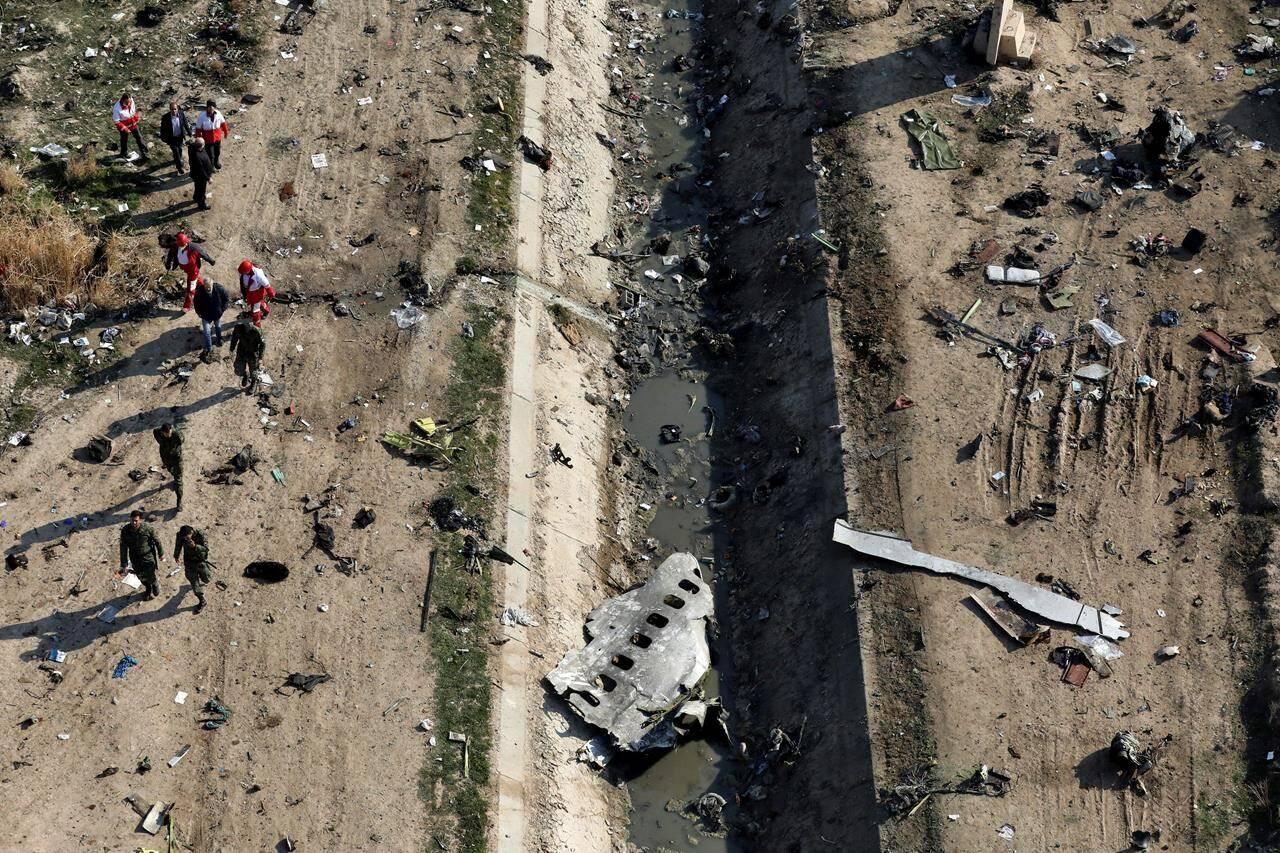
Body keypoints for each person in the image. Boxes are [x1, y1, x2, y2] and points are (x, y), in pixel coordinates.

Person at [119, 510, 164, 600]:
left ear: (140, 520)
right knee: (140, 576)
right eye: (132, 520)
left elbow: (157, 540)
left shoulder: (147, 528)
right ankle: (148, 588)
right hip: (135, 558)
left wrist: (161, 553)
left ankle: (154, 584)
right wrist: (124, 564)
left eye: (136, 520)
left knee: (150, 574)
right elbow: (123, 548)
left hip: (147, 556)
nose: (134, 523)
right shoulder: (125, 530)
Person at [164, 232, 215, 311]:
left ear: (186, 242)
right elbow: (170, 254)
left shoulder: (194, 248)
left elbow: (203, 254)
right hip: (186, 269)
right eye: (180, 245)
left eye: (183, 245)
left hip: (193, 271)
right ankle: (205, 287)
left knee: (190, 289)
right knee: (196, 280)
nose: (181, 247)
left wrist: (211, 261)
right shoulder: (176, 246)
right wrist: (168, 264)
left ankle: (187, 306)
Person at [173, 525, 212, 614]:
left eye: (187, 537)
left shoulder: (201, 534)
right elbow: (178, 544)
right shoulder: (181, 535)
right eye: (184, 537)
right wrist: (176, 555)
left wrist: (195, 547)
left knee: (207, 579)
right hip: (189, 563)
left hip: (200, 560)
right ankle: (202, 601)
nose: (185, 539)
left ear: (191, 533)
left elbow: (206, 550)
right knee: (195, 584)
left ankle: (203, 578)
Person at [192, 279, 229, 362]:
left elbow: (226, 298)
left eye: (209, 287)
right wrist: (200, 314)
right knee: (207, 332)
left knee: (218, 327)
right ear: (203, 285)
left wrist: (222, 309)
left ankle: (219, 339)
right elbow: (196, 303)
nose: (208, 289)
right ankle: (209, 348)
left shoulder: (219, 288)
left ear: (212, 285)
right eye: (206, 287)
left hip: (217, 314)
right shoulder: (199, 292)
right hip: (206, 316)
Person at [229, 313, 265, 395]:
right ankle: (245, 375)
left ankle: (253, 382)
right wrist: (232, 348)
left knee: (254, 372)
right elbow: (234, 338)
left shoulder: (257, 331)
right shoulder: (238, 328)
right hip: (242, 351)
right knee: (238, 370)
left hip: (253, 354)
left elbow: (263, 344)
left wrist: (260, 357)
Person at [153, 422, 184, 511]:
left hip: (176, 460)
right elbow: (155, 431)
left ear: (171, 430)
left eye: (169, 433)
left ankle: (179, 501)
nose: (167, 435)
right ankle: (175, 478)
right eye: (165, 433)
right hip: (166, 460)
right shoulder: (158, 432)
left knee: (178, 480)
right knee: (171, 472)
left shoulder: (177, 435)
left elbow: (182, 440)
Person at [112, 92, 148, 162]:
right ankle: (123, 153)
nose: (129, 104)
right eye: (127, 102)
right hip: (124, 126)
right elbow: (116, 121)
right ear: (122, 100)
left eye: (129, 102)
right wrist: (125, 129)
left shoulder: (131, 100)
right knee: (124, 140)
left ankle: (145, 153)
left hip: (133, 124)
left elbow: (133, 111)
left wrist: (136, 117)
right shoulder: (117, 108)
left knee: (139, 137)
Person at [158, 101, 191, 174]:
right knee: (175, 152)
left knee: (179, 150)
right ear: (170, 109)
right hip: (171, 138)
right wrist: (164, 138)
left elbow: (185, 123)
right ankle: (179, 167)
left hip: (180, 137)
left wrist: (189, 132)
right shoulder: (165, 117)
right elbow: (162, 129)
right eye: (172, 109)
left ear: (177, 109)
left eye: (175, 109)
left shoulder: (181, 114)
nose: (174, 111)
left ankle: (178, 159)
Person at [238, 260, 274, 326]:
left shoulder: (258, 274)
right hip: (249, 292)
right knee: (257, 303)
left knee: (255, 310)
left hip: (257, 293)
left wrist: (271, 294)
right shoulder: (242, 272)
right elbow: (242, 281)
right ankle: (266, 310)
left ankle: (257, 322)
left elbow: (267, 285)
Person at [195, 99, 227, 170]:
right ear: (207, 107)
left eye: (213, 106)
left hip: (217, 138)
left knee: (217, 152)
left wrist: (225, 132)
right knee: (210, 155)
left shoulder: (218, 114)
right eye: (209, 106)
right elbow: (198, 129)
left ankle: (216, 162)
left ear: (215, 107)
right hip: (207, 140)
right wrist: (198, 140)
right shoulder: (202, 116)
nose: (211, 108)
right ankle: (210, 166)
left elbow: (223, 123)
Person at [187, 137, 214, 211]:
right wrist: (208, 178)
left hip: (196, 175)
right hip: (200, 177)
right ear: (201, 145)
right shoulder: (197, 156)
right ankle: (202, 205)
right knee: (202, 191)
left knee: (197, 188)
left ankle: (196, 198)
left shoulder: (193, 147)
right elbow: (201, 170)